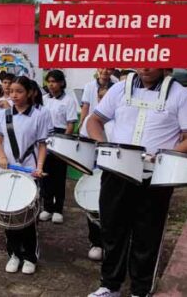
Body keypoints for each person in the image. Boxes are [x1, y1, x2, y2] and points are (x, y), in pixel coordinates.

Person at [86, 68, 187, 297]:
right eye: (141, 61)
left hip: (154, 175)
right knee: (112, 228)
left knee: (147, 233)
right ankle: (110, 285)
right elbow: (95, 120)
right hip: (116, 171)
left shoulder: (179, 93)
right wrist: (104, 145)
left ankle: (140, 290)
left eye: (152, 61)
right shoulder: (120, 88)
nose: (146, 67)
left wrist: (163, 155)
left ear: (163, 63)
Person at [0, 76, 49, 275]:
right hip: (7, 171)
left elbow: (42, 144)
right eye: (11, 92)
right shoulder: (4, 115)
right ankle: (14, 254)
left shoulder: (39, 115)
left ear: (29, 93)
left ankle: (29, 257)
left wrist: (40, 166)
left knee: (27, 217)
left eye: (19, 91)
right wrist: (1, 157)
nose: (14, 95)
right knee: (9, 215)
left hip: (29, 172)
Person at [78, 69, 116, 262]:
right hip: (95, 170)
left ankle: (111, 242)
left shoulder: (120, 123)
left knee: (113, 208)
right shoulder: (89, 123)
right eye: (101, 99)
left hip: (114, 172)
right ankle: (96, 242)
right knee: (92, 203)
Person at [39, 70, 78, 224]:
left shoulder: (68, 100)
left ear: (61, 83)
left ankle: (58, 209)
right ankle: (47, 208)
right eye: (49, 81)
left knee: (59, 176)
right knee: (45, 174)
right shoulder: (43, 99)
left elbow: (70, 124)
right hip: (45, 137)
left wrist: (62, 142)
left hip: (61, 137)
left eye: (54, 81)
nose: (51, 84)